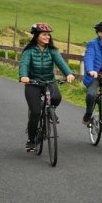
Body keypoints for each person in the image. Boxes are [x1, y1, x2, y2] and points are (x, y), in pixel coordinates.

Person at [19, 22, 75, 151]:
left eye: (48, 35)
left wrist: (69, 73)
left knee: (56, 98)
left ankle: (51, 111)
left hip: (49, 81)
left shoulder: (52, 50)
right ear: (37, 35)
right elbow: (24, 64)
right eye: (44, 34)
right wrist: (24, 76)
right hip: (33, 83)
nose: (47, 37)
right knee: (35, 112)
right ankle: (31, 140)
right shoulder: (29, 50)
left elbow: (61, 62)